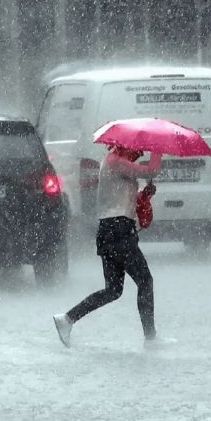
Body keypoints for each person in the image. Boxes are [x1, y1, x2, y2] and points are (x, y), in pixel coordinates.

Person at [53, 145, 164, 348]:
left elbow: (119, 198)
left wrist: (143, 195)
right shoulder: (116, 162)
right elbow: (152, 170)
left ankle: (67, 319)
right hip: (119, 231)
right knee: (145, 281)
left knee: (113, 290)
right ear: (123, 145)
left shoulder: (115, 163)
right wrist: (158, 150)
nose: (139, 154)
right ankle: (151, 338)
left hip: (110, 231)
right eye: (137, 150)